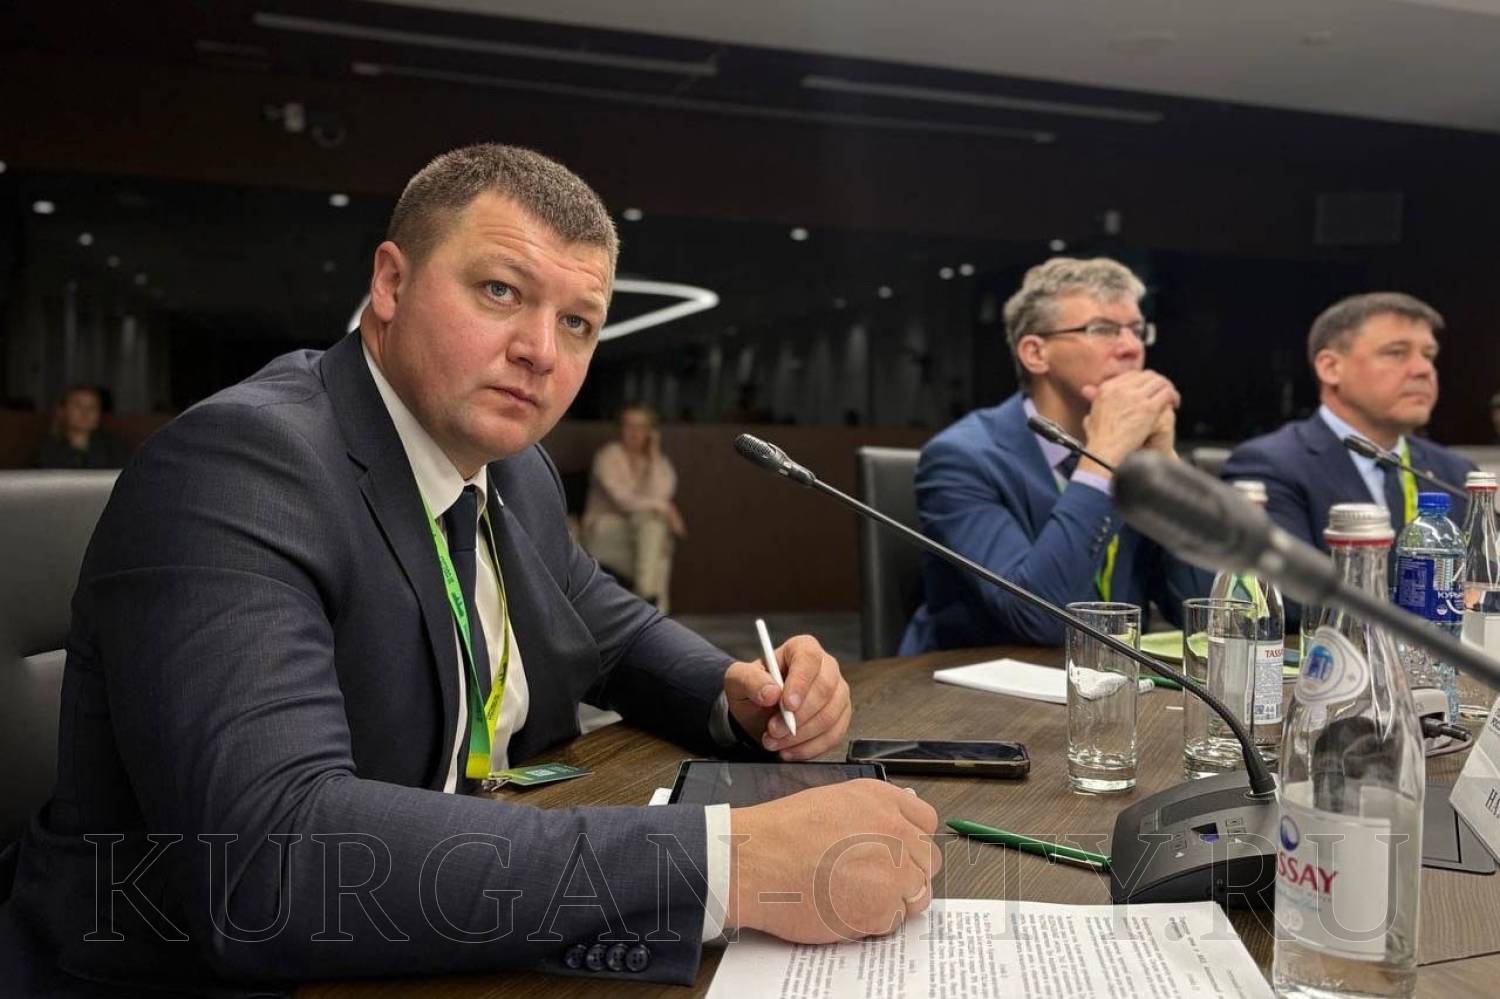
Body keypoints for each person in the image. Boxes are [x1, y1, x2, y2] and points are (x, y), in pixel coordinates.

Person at [1, 145, 938, 995]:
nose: (540, 351)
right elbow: (270, 863)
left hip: (434, 932)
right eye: (499, 291)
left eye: (578, 322)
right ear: (391, 282)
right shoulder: (242, 466)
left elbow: (608, 626)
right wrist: (732, 860)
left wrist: (738, 693)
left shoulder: (513, 469)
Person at [900, 257, 1207, 652]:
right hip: (976, 685)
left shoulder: (1138, 454)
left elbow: (1209, 617)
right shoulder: (961, 459)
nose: (1131, 348)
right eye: (1103, 329)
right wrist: (1103, 457)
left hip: (1113, 681)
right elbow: (1040, 620)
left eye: (1136, 330)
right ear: (1035, 353)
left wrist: (1165, 470)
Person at [1223, 292, 1475, 571]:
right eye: (1396, 352)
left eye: (1429, 355)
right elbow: (1287, 588)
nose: (1423, 369)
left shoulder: (1455, 474)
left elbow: (1485, 580)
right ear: (1331, 368)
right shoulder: (1270, 466)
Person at [582, 403, 684, 610]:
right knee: (658, 546)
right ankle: (654, 612)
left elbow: (662, 493)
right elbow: (623, 500)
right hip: (604, 535)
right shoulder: (608, 457)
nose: (634, 432)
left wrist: (654, 455)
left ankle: (647, 598)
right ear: (620, 428)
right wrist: (664, 507)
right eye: (628, 425)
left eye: (641, 426)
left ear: (651, 432)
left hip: (641, 539)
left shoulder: (658, 461)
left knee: (654, 533)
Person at [31, 384, 129, 469]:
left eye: (93, 407)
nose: (85, 412)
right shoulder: (47, 450)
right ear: (62, 411)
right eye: (77, 405)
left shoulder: (115, 449)